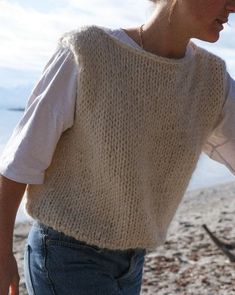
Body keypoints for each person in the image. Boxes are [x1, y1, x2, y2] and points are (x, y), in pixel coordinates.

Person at [1, 0, 235, 294]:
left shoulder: (211, 79)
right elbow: (20, 162)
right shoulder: (88, 51)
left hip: (133, 261)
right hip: (66, 255)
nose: (233, 7)